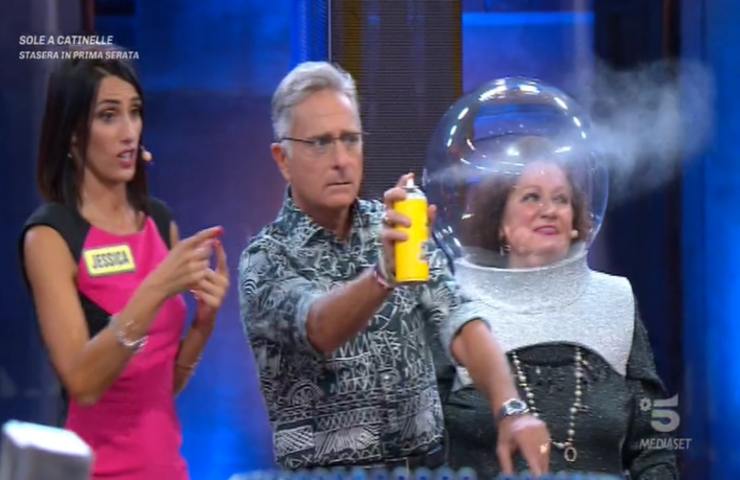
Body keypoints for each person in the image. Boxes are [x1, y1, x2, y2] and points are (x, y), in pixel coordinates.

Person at [238, 61, 550, 473]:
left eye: (350, 139)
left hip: (424, 469)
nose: (341, 159)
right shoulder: (265, 258)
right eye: (320, 143)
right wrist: (383, 275)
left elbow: (459, 320)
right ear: (283, 158)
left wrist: (510, 408)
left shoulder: (396, 227)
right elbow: (319, 328)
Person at [19, 54, 229, 480]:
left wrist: (203, 325)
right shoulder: (51, 237)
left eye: (134, 112)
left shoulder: (160, 222)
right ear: (72, 135)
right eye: (109, 116)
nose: (129, 132)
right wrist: (154, 290)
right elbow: (84, 383)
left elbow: (161, 388)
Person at [439, 137, 678, 477]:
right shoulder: (457, 306)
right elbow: (424, 447)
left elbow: (653, 446)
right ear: (500, 222)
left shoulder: (615, 299)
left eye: (561, 199)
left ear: (575, 222)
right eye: (531, 197)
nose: (549, 210)